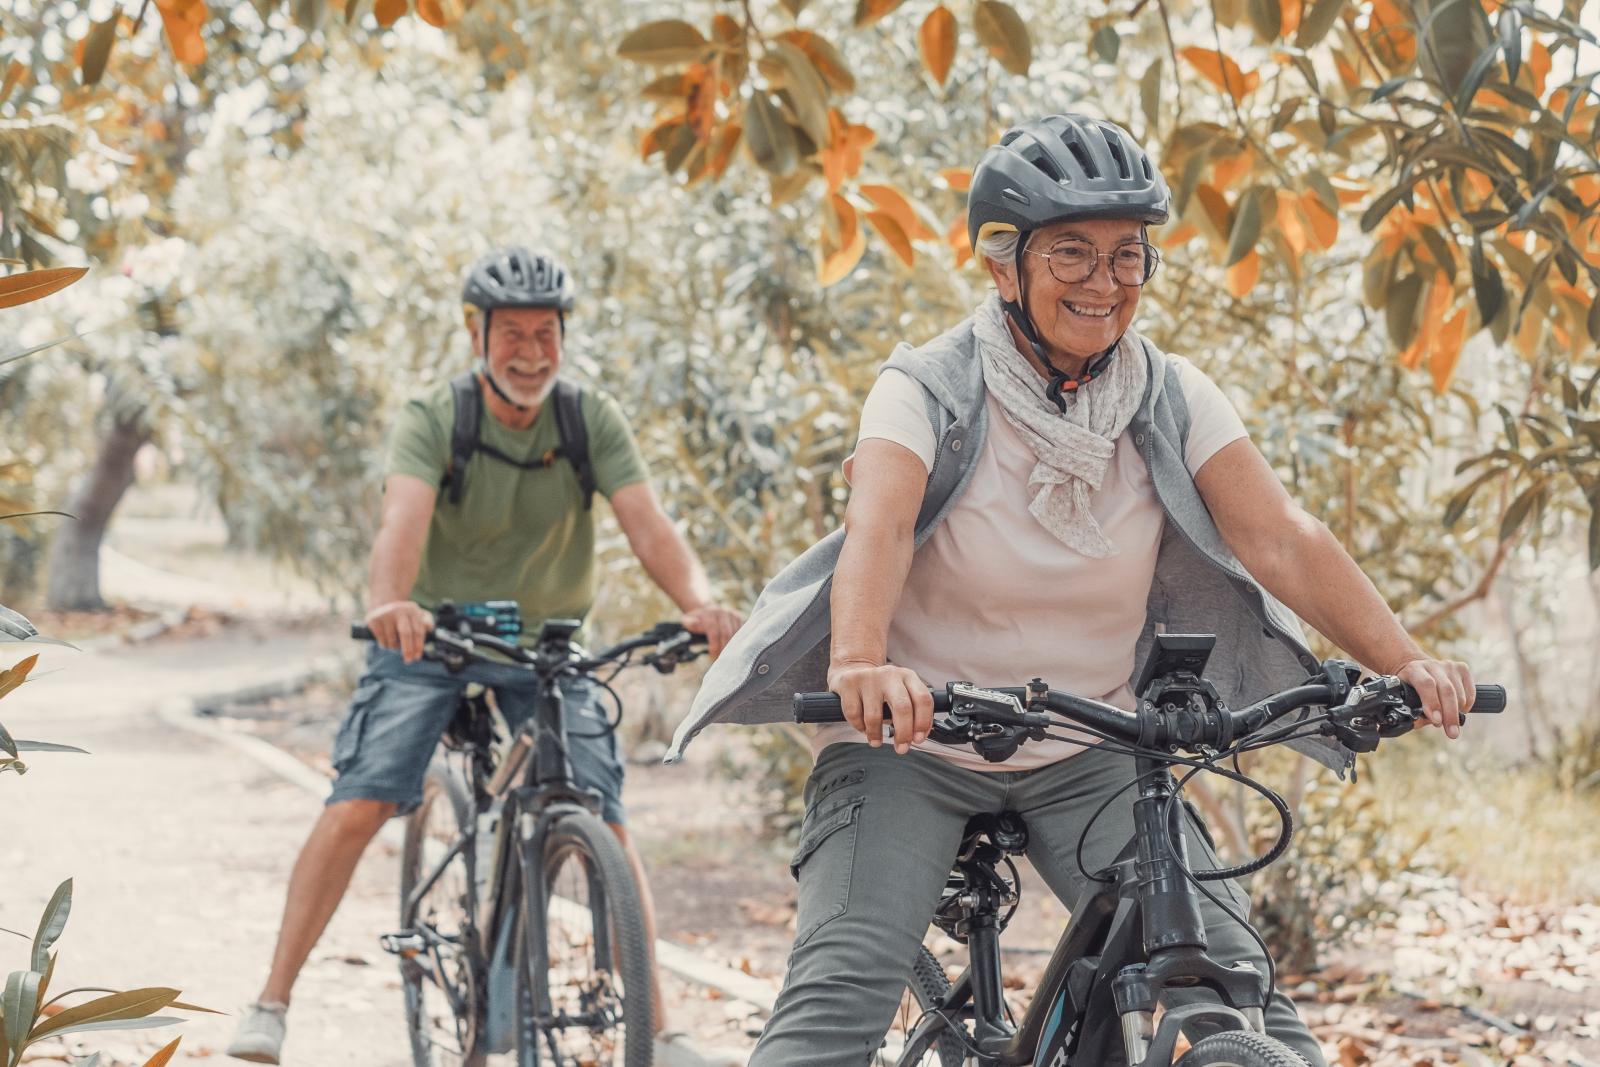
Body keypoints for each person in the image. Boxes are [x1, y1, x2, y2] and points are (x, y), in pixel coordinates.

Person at [666, 114, 1477, 1065]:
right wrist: (859, 662)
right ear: (1003, 265)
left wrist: (1404, 661)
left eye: (1128, 255)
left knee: (1231, 981)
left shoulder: (1168, 395)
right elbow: (880, 522)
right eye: (1074, 255)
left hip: (1094, 740)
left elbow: (1282, 537)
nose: (1106, 282)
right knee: (841, 990)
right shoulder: (927, 388)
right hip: (911, 736)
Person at [227, 247, 742, 1064]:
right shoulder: (438, 416)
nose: (531, 351)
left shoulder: (585, 419)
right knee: (362, 799)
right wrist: (391, 605)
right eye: (513, 333)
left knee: (604, 814)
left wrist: (697, 603)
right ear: (477, 332)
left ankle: (665, 1025)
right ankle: (272, 1001)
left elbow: (650, 524)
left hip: (545, 646)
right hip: (433, 636)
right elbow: (402, 520)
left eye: (546, 332)